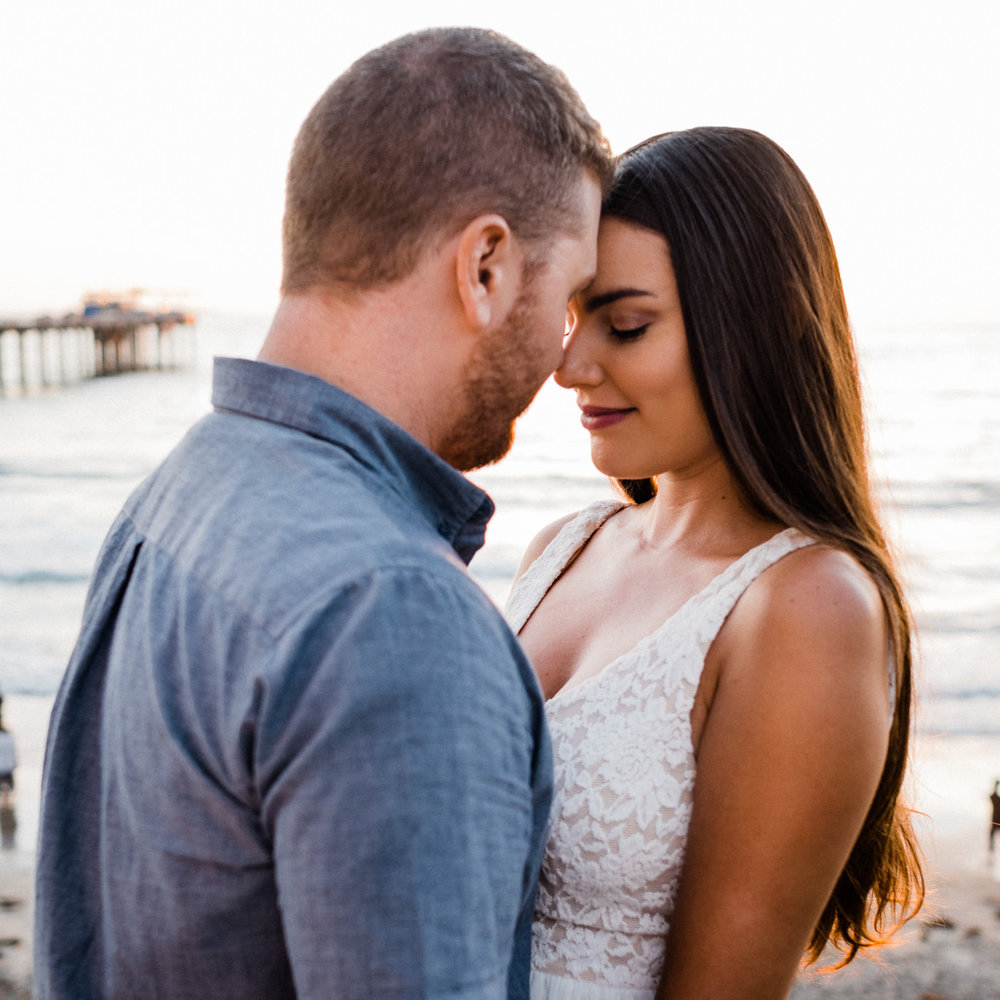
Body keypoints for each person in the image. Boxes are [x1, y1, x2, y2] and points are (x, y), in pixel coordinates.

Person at [34, 28, 610, 1000]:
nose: (565, 353)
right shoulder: (390, 610)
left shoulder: (176, 491)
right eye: (571, 296)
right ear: (486, 265)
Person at [506, 127, 924, 1000]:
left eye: (626, 324)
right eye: (577, 316)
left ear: (749, 328)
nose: (569, 363)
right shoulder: (563, 548)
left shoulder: (807, 606)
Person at [991, 781, 1000, 852]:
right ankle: (991, 848)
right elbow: (992, 796)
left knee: (992, 835)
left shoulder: (996, 799)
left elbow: (992, 796)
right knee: (991, 835)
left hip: (996, 821)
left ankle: (991, 848)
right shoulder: (996, 799)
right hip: (995, 821)